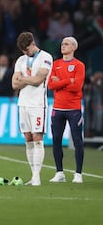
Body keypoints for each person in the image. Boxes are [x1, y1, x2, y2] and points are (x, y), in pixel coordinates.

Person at [11, 32, 53, 186]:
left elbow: (38, 80)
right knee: (28, 139)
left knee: (37, 138)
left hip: (38, 104)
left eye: (27, 50)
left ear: (33, 43)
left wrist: (23, 78)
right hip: (23, 103)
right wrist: (26, 80)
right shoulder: (21, 60)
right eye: (23, 51)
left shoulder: (46, 57)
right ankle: (33, 175)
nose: (25, 53)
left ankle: (37, 177)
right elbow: (14, 85)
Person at [47, 37, 85, 183]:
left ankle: (78, 174)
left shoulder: (79, 65)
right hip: (58, 108)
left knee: (77, 140)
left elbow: (77, 87)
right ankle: (59, 172)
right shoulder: (55, 64)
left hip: (73, 108)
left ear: (74, 47)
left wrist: (60, 82)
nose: (63, 46)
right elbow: (50, 85)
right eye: (62, 44)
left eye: (67, 44)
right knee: (56, 140)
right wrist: (69, 80)